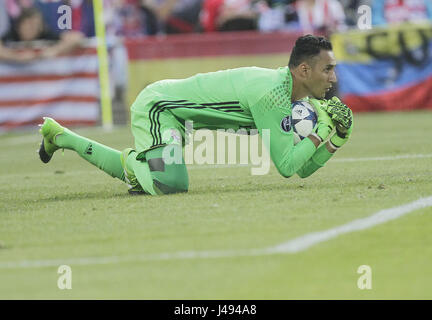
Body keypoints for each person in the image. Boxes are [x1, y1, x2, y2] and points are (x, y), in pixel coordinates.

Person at [38, 35, 354, 196]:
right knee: (170, 184)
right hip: (159, 106)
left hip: (175, 115)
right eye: (328, 69)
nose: (333, 78)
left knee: (168, 181)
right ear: (303, 70)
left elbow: (301, 168)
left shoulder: (285, 94)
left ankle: (58, 135)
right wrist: (319, 131)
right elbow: (287, 167)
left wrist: (334, 139)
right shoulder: (271, 95)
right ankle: (125, 157)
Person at [0, 7, 84, 62]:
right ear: (19, 26)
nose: (32, 29)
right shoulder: (11, 35)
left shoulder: (45, 34)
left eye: (36, 26)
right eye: (28, 25)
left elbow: (77, 38)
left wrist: (54, 50)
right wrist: (16, 57)